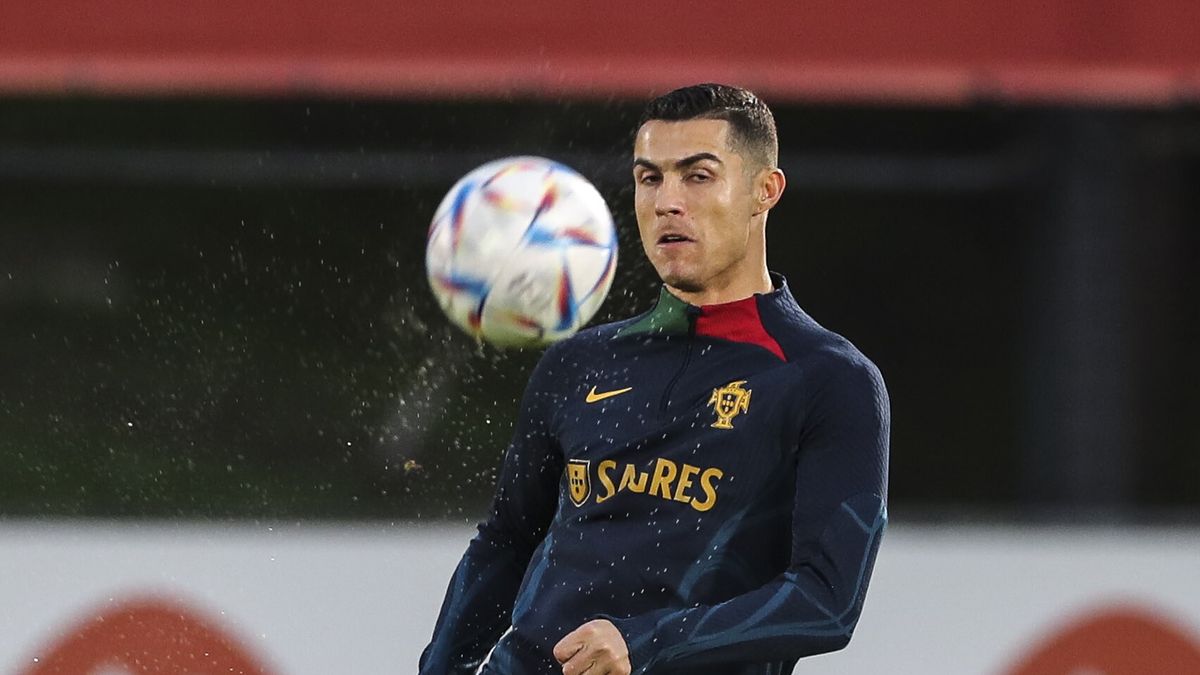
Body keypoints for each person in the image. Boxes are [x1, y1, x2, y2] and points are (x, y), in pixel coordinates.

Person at [420, 83, 890, 675]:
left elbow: (826, 602)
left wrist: (644, 642)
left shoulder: (829, 379)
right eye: (650, 178)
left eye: (698, 176)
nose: (668, 201)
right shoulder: (577, 362)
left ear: (764, 191)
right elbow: (506, 542)